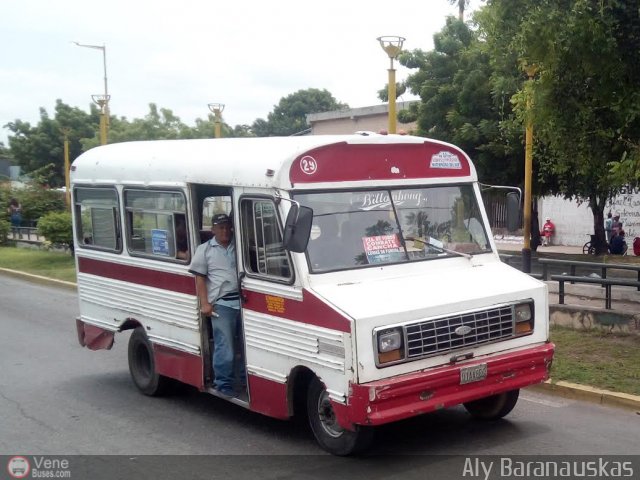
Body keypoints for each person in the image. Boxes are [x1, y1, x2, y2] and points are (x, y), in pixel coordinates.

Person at [188, 213, 244, 398]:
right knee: (225, 346)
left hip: (244, 303)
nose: (225, 230)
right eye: (220, 227)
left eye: (227, 227)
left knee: (245, 345)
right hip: (222, 304)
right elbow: (200, 278)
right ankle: (223, 383)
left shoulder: (240, 246)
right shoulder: (205, 249)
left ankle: (244, 380)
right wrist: (205, 304)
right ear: (213, 230)